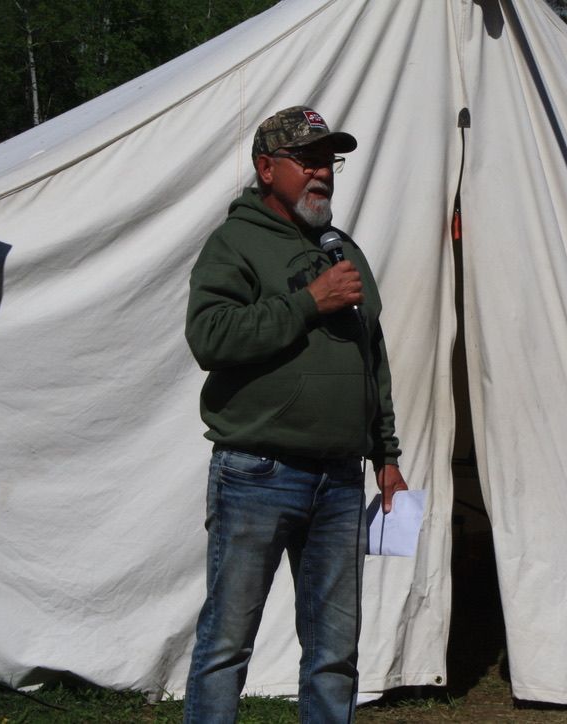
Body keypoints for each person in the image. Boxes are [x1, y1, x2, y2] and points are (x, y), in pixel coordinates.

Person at [182, 105, 408, 724]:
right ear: (266, 167)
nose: (322, 174)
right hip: (257, 471)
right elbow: (210, 337)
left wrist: (385, 454)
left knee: (335, 653)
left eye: (327, 161)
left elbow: (372, 353)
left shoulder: (342, 248)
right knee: (226, 646)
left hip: (340, 478)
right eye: (306, 160)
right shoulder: (234, 242)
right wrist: (309, 301)